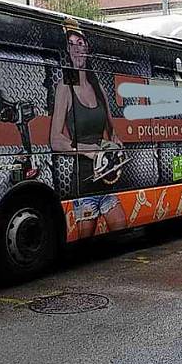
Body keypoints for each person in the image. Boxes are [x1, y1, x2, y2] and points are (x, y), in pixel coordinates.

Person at [50, 19, 127, 237]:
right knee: (85, 248)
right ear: (68, 51)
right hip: (84, 185)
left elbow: (112, 130)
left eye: (80, 42)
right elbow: (55, 140)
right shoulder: (64, 87)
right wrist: (88, 150)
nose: (76, 48)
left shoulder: (98, 86)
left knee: (121, 231)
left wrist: (115, 144)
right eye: (71, 44)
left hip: (107, 177)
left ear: (87, 47)